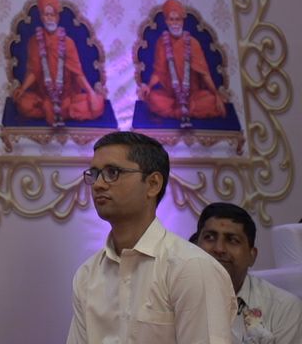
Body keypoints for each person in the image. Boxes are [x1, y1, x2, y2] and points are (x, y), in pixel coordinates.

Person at [68, 131, 235, 344]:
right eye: (94, 173)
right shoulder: (87, 275)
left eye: (112, 172)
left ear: (153, 184)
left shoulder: (191, 268)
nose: (98, 184)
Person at [194, 202, 302, 343]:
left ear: (252, 256)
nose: (219, 249)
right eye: (209, 237)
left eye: (232, 240)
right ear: (193, 247)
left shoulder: (283, 309)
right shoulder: (172, 297)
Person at [13, 0, 105, 125]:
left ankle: (60, 111)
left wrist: (91, 93)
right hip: (44, 97)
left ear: (58, 17)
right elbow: (34, 71)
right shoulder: (35, 42)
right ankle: (56, 111)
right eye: (46, 14)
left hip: (67, 97)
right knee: (23, 104)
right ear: (41, 17)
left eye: (53, 15)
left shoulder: (68, 43)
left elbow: (77, 73)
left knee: (98, 105)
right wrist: (22, 89)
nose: (49, 18)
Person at [141, 0, 227, 125]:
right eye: (171, 19)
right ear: (166, 21)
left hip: (193, 96)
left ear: (183, 21)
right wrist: (149, 87)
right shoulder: (162, 43)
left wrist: (216, 94)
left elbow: (204, 74)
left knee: (212, 100)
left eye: (178, 19)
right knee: (153, 98)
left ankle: (181, 111)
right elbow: (158, 72)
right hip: (171, 97)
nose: (175, 23)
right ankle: (183, 111)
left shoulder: (193, 43)